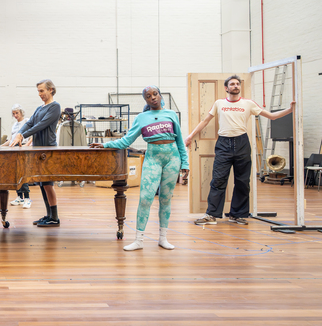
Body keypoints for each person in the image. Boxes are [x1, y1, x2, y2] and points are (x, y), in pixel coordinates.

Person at [187, 75, 295, 225]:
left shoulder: (248, 104)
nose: (236, 86)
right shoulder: (219, 103)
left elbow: (271, 116)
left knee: (242, 181)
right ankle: (211, 215)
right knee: (218, 180)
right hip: (223, 144)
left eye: (237, 84)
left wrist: (290, 109)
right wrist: (190, 136)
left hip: (242, 143)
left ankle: (236, 215)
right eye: (232, 84)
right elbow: (205, 121)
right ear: (226, 88)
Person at [91, 86, 189, 251]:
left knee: (166, 199)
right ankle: (139, 240)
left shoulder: (171, 114)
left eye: (155, 94)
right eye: (148, 96)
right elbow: (126, 141)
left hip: (173, 158)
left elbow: (180, 141)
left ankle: (163, 238)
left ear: (160, 95)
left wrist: (185, 163)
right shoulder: (142, 118)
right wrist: (104, 144)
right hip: (152, 158)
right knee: (145, 198)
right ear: (145, 100)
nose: (153, 98)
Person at [9, 79, 62, 227]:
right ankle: (49, 215)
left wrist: (23, 135)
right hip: (38, 150)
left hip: (48, 149)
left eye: (42, 91)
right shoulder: (40, 108)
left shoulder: (55, 107)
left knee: (48, 184)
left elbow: (40, 125)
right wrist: (19, 133)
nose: (40, 94)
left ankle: (55, 217)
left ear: (51, 90)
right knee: (42, 184)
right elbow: (30, 122)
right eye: (38, 91)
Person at [1, 104, 32, 208]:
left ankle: (27, 198)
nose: (15, 115)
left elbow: (33, 136)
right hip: (14, 150)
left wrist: (26, 146)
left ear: (21, 112)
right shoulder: (14, 125)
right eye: (13, 113)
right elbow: (11, 139)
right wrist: (1, 146)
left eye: (17, 113)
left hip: (23, 149)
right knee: (16, 175)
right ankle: (20, 197)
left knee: (23, 174)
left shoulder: (27, 122)